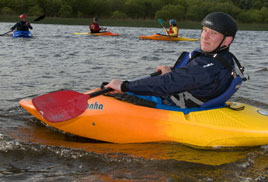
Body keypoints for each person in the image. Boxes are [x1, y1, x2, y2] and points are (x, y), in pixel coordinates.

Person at [105, 12, 246, 109]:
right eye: (204, 30)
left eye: (213, 33)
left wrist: (124, 86)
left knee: (108, 94)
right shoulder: (225, 59)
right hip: (191, 99)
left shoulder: (206, 67)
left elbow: (167, 84)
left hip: (173, 105)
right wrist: (171, 73)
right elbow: (187, 79)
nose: (204, 36)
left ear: (227, 40)